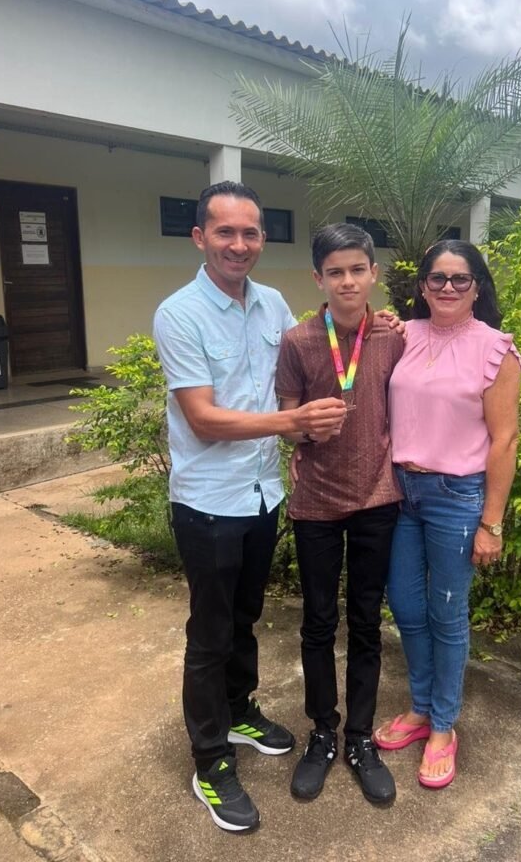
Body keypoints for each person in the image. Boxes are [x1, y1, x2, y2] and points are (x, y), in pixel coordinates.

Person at [153, 181, 347, 834]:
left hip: (262, 494)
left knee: (245, 617)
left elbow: (318, 345)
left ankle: (238, 710)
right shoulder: (179, 314)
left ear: (262, 239)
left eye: (251, 232)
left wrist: (384, 323)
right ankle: (210, 761)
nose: (239, 244)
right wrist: (292, 423)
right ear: (199, 237)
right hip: (208, 502)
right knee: (209, 634)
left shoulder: (273, 305)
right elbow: (204, 419)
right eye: (225, 232)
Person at [374, 240, 521, 790]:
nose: (448, 288)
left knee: (446, 612)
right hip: (400, 491)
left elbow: (505, 441)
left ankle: (442, 725)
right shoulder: (402, 335)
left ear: (477, 287)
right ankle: (419, 707)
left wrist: (492, 523)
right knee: (405, 604)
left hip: (456, 497)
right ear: (422, 286)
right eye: (437, 278)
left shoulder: (496, 350)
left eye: (461, 279)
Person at [275, 223, 404, 806]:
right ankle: (323, 732)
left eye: (357, 270)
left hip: (377, 497)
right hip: (317, 502)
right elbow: (287, 419)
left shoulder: (393, 336)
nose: (347, 281)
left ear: (373, 273)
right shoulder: (299, 341)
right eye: (335, 272)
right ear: (318, 278)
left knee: (367, 622)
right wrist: (304, 429)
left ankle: (360, 739)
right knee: (318, 622)